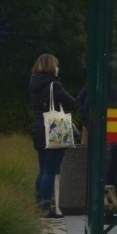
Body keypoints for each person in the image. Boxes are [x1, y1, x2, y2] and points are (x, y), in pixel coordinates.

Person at [29, 53, 77, 218]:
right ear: (51, 67)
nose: (58, 68)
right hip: (54, 127)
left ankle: (38, 205)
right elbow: (71, 103)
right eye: (56, 65)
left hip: (38, 126)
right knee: (51, 170)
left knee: (43, 170)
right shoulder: (53, 85)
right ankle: (45, 208)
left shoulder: (34, 83)